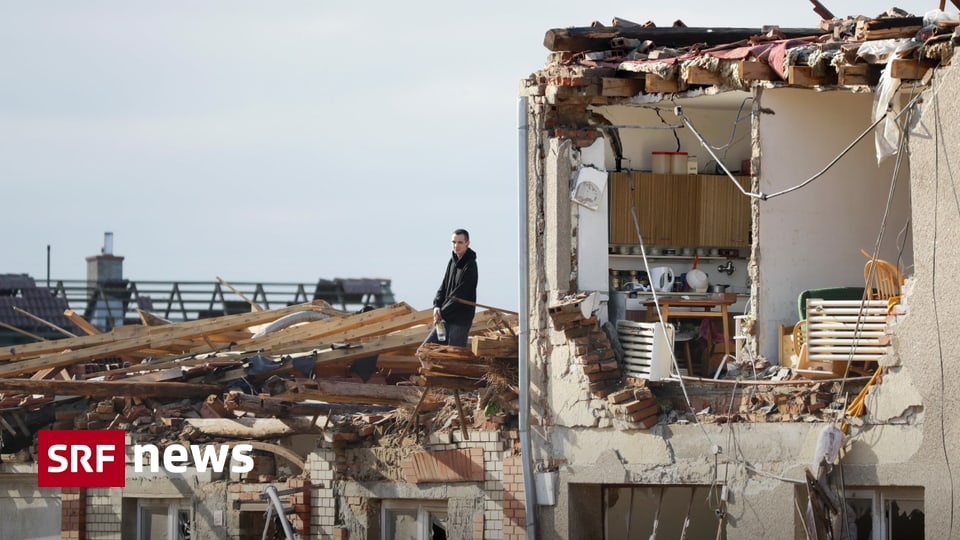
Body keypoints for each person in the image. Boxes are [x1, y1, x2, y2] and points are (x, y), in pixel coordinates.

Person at [421, 228, 478, 348]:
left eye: (460, 242)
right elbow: (444, 286)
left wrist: (441, 312)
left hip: (460, 321)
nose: (456, 245)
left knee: (454, 355)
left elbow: (461, 294)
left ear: (467, 243)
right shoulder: (452, 262)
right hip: (446, 318)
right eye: (454, 242)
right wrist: (437, 306)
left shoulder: (470, 265)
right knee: (424, 351)